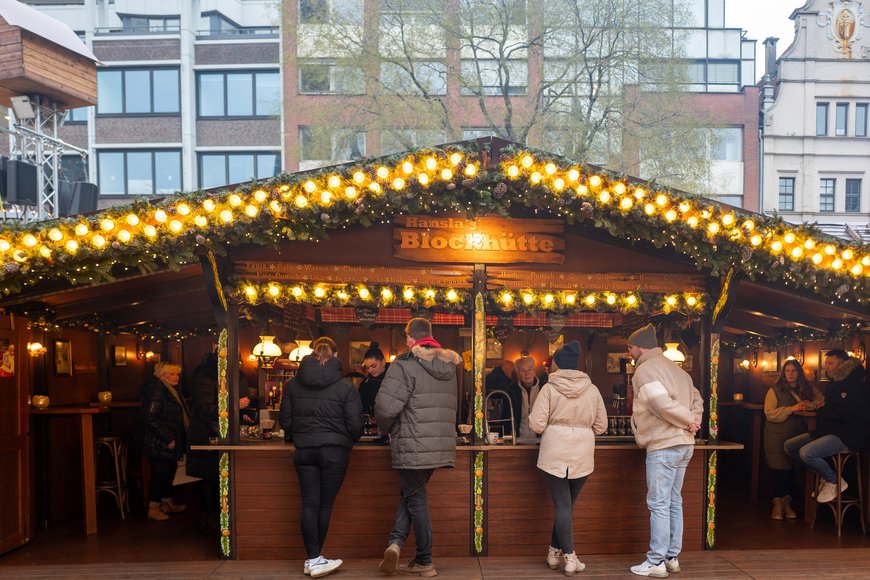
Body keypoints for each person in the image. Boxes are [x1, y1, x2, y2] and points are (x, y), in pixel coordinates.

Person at [375, 318, 459, 578]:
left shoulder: (404, 364)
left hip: (412, 441)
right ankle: (396, 543)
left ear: (410, 338)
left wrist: (386, 430)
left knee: (416, 498)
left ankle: (425, 559)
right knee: (412, 494)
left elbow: (385, 408)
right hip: (438, 443)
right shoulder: (449, 366)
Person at [279, 336, 363, 579]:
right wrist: (347, 440)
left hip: (304, 451)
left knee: (309, 505)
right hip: (335, 452)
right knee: (324, 505)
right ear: (335, 356)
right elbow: (356, 424)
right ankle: (316, 559)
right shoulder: (346, 387)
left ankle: (313, 558)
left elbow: (285, 421)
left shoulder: (293, 385)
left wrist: (298, 435)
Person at [627, 324, 703, 578]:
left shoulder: (645, 370)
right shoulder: (677, 369)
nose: (629, 352)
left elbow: (660, 404)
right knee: (673, 502)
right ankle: (672, 557)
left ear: (640, 347)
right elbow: (697, 399)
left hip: (664, 443)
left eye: (630, 347)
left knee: (659, 503)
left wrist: (686, 420)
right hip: (684, 444)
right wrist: (694, 420)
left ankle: (656, 561)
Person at [529, 341, 608, 575]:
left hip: (554, 452)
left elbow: (536, 424)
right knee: (566, 506)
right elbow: (602, 426)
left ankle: (569, 557)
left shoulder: (549, 389)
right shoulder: (592, 389)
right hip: (582, 453)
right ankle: (554, 553)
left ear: (557, 364)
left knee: (563, 506)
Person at [784, 349, 869, 504]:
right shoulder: (836, 382)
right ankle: (826, 476)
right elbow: (833, 408)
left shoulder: (853, 382)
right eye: (826, 363)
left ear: (843, 364)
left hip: (849, 434)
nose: (826, 367)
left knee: (806, 453)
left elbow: (843, 413)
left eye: (830, 363)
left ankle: (834, 481)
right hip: (830, 430)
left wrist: (821, 409)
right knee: (789, 446)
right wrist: (823, 407)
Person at [186, 352, 250, 534]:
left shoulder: (237, 375)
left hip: (226, 433)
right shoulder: (205, 375)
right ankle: (210, 519)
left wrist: (243, 413)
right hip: (207, 434)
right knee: (210, 478)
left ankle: (221, 519)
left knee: (220, 478)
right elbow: (205, 409)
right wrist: (234, 406)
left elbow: (238, 403)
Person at [763, 359, 823, 520]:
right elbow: (769, 413)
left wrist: (809, 405)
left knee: (792, 468)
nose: (790, 374)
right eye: (787, 371)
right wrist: (792, 409)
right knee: (779, 467)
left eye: (793, 371)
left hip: (798, 434)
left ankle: (787, 503)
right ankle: (777, 504)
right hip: (777, 434)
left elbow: (822, 401)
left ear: (799, 373)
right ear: (783, 373)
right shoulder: (774, 390)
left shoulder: (808, 389)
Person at [135, 361, 190, 521]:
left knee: (169, 470)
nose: (176, 377)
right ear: (161, 375)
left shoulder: (170, 389)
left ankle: (167, 502)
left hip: (167, 439)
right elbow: (149, 417)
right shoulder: (157, 390)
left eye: (177, 373)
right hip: (158, 441)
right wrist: (168, 437)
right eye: (171, 374)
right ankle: (153, 507)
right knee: (160, 474)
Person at [511, 356, 543, 443]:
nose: (527, 374)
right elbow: (507, 417)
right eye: (522, 371)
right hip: (518, 440)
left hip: (541, 440)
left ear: (534, 371)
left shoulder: (544, 389)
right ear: (518, 374)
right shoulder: (512, 391)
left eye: (530, 369)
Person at [359, 342, 390, 416]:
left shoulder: (396, 379)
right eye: (367, 367)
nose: (370, 370)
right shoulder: (365, 384)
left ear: (383, 362)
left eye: (373, 366)